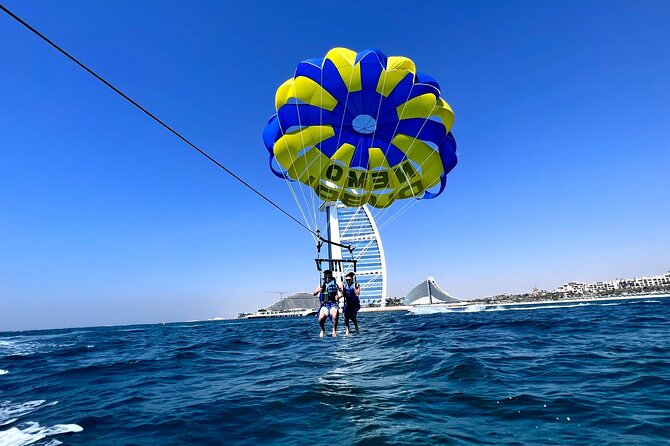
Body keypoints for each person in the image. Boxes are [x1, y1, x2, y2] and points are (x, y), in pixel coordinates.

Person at [313, 270, 341, 338]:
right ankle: (322, 330)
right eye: (326, 277)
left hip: (333, 304)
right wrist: (319, 290)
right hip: (325, 305)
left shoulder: (335, 283)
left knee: (334, 315)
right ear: (324, 277)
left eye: (329, 277)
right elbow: (314, 293)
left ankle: (334, 330)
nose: (327, 278)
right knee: (320, 319)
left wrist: (339, 296)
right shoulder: (321, 284)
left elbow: (341, 292)